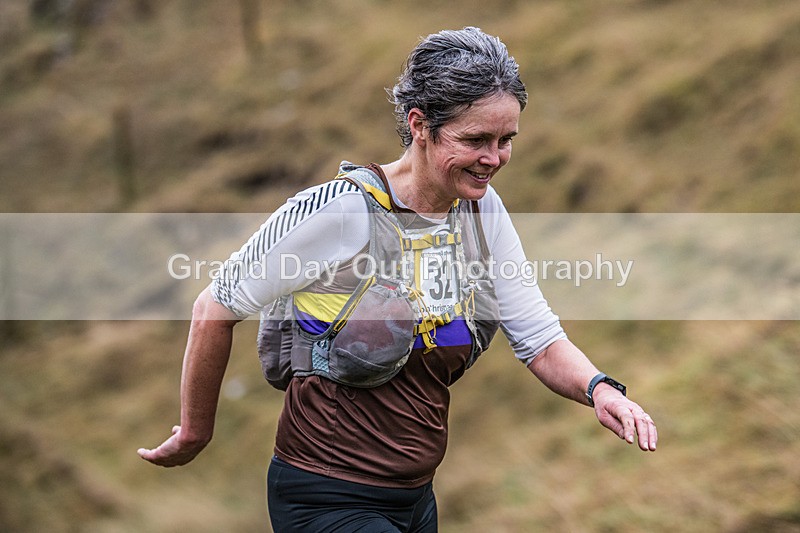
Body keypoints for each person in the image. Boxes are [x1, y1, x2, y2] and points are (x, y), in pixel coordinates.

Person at [138, 27, 658, 532]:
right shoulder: (339, 212)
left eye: (506, 140)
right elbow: (215, 306)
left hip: (415, 501)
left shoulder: (480, 212)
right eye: (475, 139)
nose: (494, 159)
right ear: (419, 125)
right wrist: (196, 431)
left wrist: (601, 391)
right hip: (325, 495)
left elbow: (539, 340)